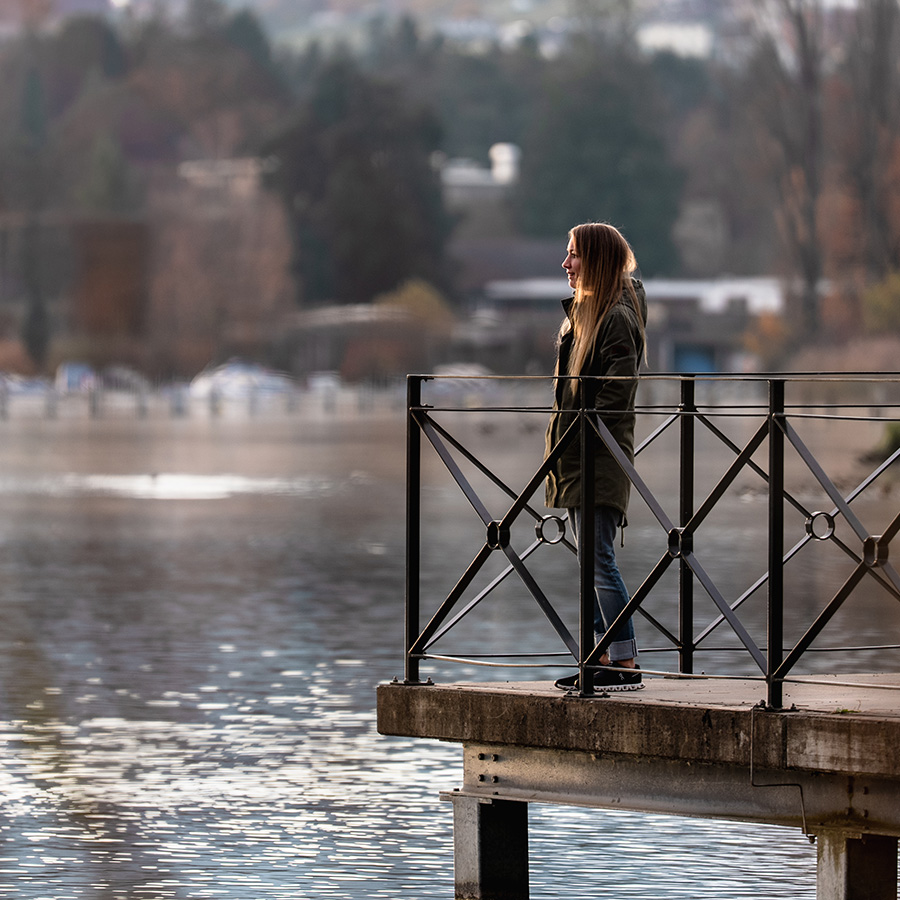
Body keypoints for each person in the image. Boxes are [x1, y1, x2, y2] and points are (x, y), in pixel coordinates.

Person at [544, 222, 647, 692]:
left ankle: (623, 663)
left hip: (599, 458)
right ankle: (598, 655)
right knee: (589, 559)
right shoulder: (583, 316)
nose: (566, 264)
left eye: (574, 255)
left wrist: (573, 446)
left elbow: (612, 402)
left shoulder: (616, 319)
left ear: (598, 260)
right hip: (577, 457)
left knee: (598, 557)